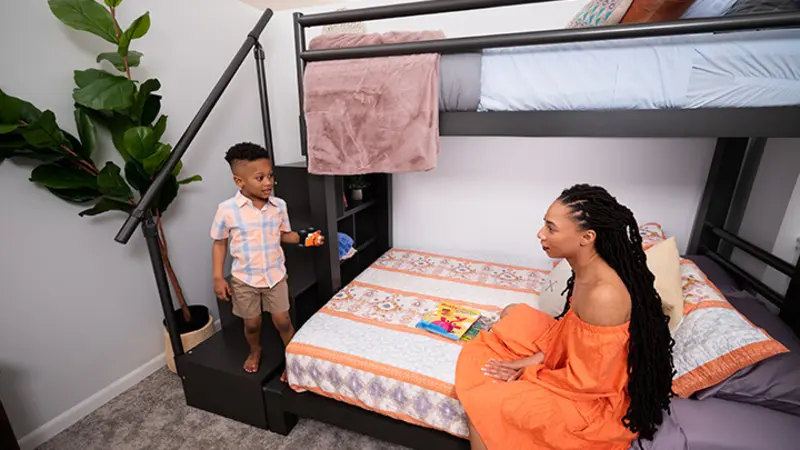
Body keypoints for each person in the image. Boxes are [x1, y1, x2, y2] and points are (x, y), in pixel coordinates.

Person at [455, 184, 675, 450]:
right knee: (513, 313)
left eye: (551, 228)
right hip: (578, 360)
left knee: (485, 403)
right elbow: (571, 334)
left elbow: (590, 382)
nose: (540, 234)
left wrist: (530, 372)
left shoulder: (603, 295)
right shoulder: (585, 267)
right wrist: (533, 358)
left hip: (591, 400)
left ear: (587, 237)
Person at [210, 142, 323, 374]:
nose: (268, 182)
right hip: (245, 280)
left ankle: (292, 361)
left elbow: (283, 235)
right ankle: (255, 350)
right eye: (260, 178)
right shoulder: (227, 210)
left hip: (275, 276)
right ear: (239, 181)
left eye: (270, 176)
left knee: (283, 321)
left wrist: (304, 238)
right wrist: (218, 278)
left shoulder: (278, 206)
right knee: (252, 324)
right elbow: (219, 243)